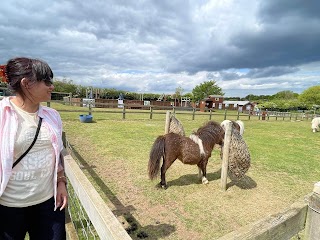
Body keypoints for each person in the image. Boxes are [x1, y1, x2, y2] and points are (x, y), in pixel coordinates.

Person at [0, 57, 68, 239]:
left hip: (48, 203)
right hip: (8, 206)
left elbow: (56, 153)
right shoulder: (2, 115)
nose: (51, 86)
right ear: (26, 84)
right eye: (46, 81)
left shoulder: (52, 116)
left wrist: (61, 182)